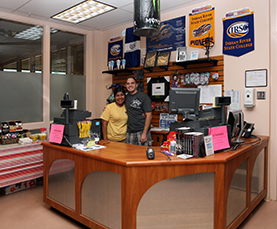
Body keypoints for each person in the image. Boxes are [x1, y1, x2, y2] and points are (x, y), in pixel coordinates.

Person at [125, 77, 152, 146]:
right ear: (126, 86)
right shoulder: (125, 97)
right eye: (128, 84)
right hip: (130, 132)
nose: (130, 85)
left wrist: (144, 133)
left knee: (144, 154)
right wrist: (107, 107)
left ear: (136, 85)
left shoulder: (143, 96)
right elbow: (117, 103)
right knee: (130, 155)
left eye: (132, 83)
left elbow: (149, 115)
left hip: (142, 131)